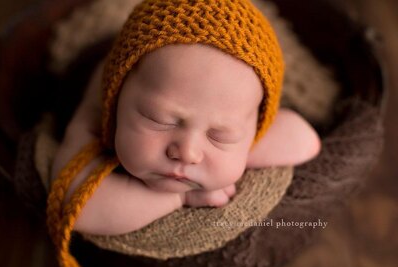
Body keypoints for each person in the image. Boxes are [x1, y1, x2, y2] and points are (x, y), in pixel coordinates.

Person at [49, 0, 320, 237]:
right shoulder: (96, 111)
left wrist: (236, 154)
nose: (188, 153)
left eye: (219, 135)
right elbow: (77, 208)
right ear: (117, 98)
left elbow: (305, 139)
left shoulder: (241, 107)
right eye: (160, 119)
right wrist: (180, 197)